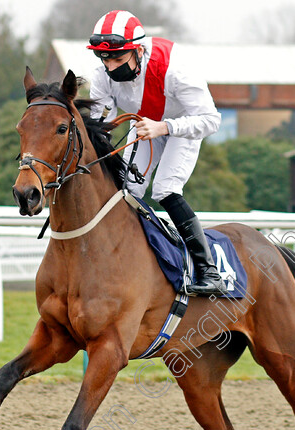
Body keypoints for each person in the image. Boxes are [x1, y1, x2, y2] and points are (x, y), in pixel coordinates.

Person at [87, 10, 225, 296]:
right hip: (144, 125)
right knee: (125, 190)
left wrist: (165, 127)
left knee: (165, 189)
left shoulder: (175, 69)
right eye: (106, 60)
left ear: (138, 50)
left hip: (180, 127)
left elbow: (211, 121)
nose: (111, 68)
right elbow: (103, 120)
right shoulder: (101, 74)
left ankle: (208, 270)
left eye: (118, 59)